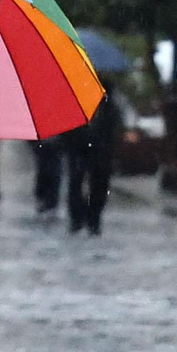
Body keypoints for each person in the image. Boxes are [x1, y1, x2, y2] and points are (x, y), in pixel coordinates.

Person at [64, 79, 124, 235]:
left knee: (99, 185)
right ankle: (77, 218)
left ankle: (93, 218)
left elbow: (115, 130)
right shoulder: (76, 103)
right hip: (79, 149)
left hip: (101, 152)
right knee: (76, 182)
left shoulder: (110, 108)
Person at [33, 133, 69, 216]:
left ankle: (49, 198)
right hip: (45, 140)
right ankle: (47, 197)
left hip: (54, 140)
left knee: (51, 165)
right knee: (47, 165)